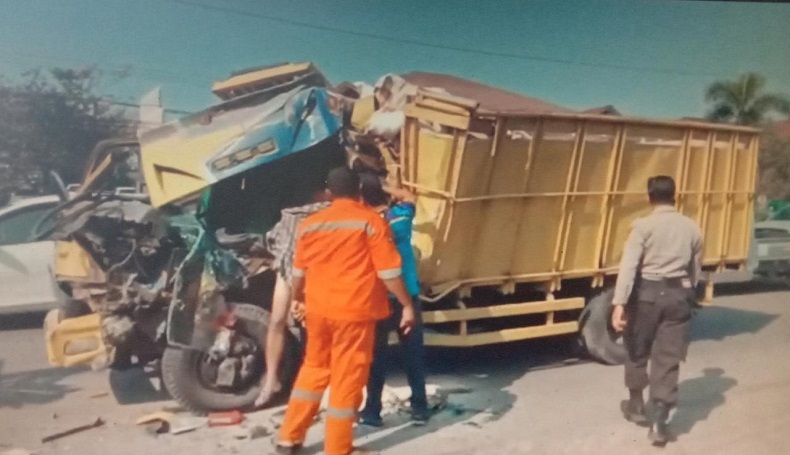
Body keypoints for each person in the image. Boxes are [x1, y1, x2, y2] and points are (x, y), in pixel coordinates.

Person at [275, 167, 415, 455]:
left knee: (313, 370)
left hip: (318, 310)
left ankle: (288, 438)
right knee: (347, 377)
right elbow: (389, 272)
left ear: (329, 193)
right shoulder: (370, 223)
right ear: (359, 191)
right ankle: (339, 449)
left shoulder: (310, 224)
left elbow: (298, 271)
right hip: (354, 312)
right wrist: (406, 304)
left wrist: (297, 300)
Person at [611, 175, 703, 446]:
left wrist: (619, 304)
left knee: (637, 348)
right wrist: (688, 293)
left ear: (650, 197)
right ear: (675, 195)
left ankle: (637, 405)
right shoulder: (692, 227)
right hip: (678, 295)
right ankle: (659, 424)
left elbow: (628, 267)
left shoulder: (642, 227)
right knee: (668, 357)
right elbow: (696, 269)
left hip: (647, 295)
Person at [357, 173, 429, 427]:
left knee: (377, 357)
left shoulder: (367, 224)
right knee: (413, 354)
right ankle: (420, 407)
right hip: (407, 294)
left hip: (379, 298)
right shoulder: (401, 216)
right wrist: (387, 187)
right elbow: (410, 196)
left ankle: (372, 411)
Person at [254, 188, 331, 408]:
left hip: (311, 273)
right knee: (277, 320)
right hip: (289, 270)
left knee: (311, 325)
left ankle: (314, 383)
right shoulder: (291, 215)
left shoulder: (327, 214)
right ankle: (271, 381)